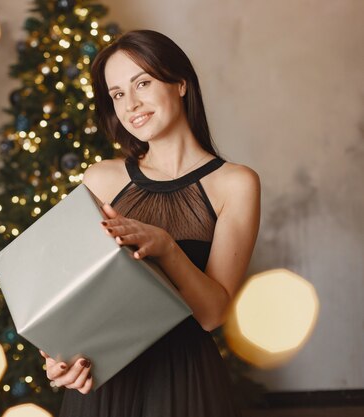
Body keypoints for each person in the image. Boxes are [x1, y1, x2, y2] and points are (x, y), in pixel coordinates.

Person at [39, 30, 260, 416]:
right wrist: (59, 360)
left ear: (180, 83)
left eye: (143, 82)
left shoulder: (235, 183)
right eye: (118, 94)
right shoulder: (99, 180)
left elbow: (212, 316)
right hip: (104, 384)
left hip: (184, 383)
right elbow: (69, 299)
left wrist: (167, 248)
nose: (131, 104)